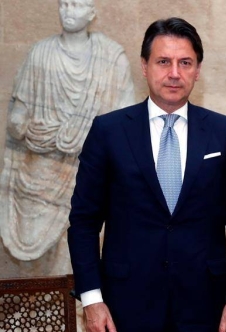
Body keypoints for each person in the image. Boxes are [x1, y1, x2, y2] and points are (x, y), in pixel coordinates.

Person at [68, 17, 226, 332]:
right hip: (128, 311)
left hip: (203, 311)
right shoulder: (109, 131)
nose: (174, 73)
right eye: (163, 62)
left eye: (185, 63)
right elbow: (83, 222)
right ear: (144, 66)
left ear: (198, 70)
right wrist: (92, 301)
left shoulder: (223, 131)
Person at [0, 0, 134, 264]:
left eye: (76, 5)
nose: (67, 11)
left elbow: (127, 118)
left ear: (92, 13)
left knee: (86, 236)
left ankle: (84, 301)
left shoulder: (111, 57)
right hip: (42, 168)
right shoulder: (40, 53)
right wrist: (18, 122)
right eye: (63, 4)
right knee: (48, 257)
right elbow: (20, 110)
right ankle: (52, 301)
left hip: (94, 167)